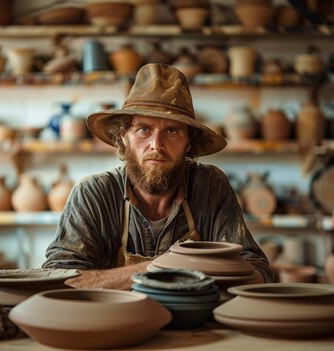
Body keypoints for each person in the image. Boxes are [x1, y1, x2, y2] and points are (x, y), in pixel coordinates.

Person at [42, 63, 274, 289]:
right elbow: (60, 280)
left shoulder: (210, 186)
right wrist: (162, 268)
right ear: (124, 136)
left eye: (171, 131)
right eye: (144, 129)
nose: (157, 145)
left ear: (188, 141)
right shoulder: (94, 193)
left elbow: (259, 272)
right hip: (115, 322)